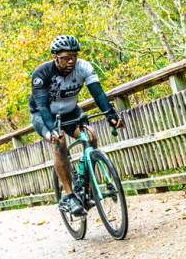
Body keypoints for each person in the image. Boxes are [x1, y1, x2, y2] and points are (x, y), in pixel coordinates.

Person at [29, 35, 123, 216]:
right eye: (66, 57)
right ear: (55, 56)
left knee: (91, 135)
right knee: (60, 142)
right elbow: (42, 106)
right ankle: (70, 195)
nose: (71, 61)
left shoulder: (84, 68)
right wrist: (53, 130)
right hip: (45, 115)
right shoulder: (41, 74)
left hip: (71, 112)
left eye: (74, 56)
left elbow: (98, 94)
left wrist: (111, 115)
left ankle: (88, 186)